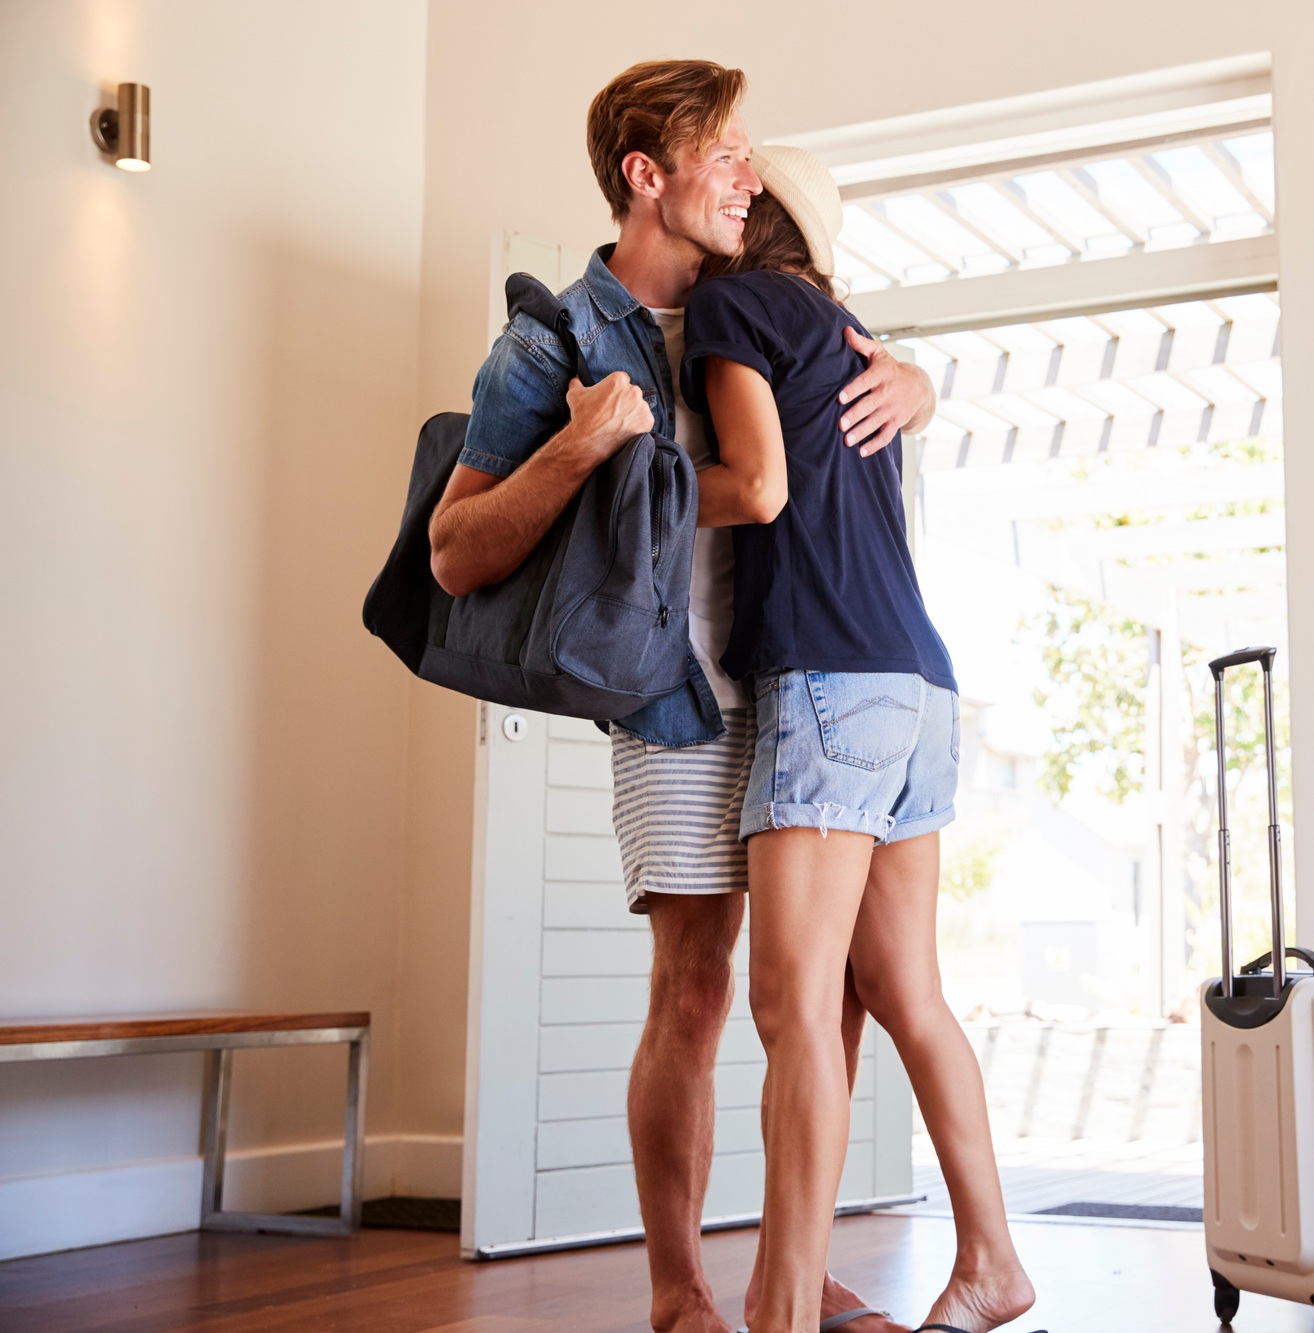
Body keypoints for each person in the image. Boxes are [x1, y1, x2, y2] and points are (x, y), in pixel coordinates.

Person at [428, 61, 936, 1333]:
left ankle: (794, 1268)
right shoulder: (552, 339)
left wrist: (925, 384)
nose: (749, 176)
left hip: (809, 671)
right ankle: (677, 1290)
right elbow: (455, 550)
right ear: (646, 177)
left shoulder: (760, 300)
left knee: (834, 994)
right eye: (727, 154)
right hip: (673, 699)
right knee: (697, 990)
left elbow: (867, 386)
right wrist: (580, 445)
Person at [681, 147, 1036, 1333]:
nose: (722, 199)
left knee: (788, 1007)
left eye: (740, 188)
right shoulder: (851, 332)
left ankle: (780, 1312)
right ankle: (989, 1261)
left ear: (762, 216)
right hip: (918, 684)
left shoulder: (733, 303)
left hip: (828, 680)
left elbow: (756, 484)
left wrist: (626, 482)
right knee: (902, 990)